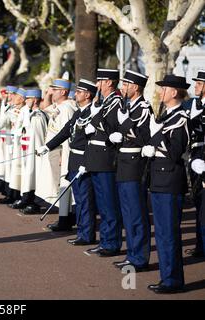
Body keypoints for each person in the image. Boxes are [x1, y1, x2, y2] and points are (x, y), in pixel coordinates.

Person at [142, 74, 190, 294]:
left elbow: (174, 152)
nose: (160, 93)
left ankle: (172, 281)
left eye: (164, 89)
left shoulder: (181, 118)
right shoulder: (167, 116)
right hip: (160, 180)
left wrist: (156, 137)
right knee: (161, 232)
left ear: (174, 93)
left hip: (170, 179)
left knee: (168, 233)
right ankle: (167, 277)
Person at [37, 79, 97, 243]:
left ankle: (87, 234)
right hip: (74, 160)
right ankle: (82, 232)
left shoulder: (92, 112)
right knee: (79, 198)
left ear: (88, 94)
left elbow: (90, 142)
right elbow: (65, 132)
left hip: (82, 161)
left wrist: (85, 161)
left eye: (79, 91)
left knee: (85, 199)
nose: (75, 94)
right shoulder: (79, 112)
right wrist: (47, 147)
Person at [108, 70, 152, 272]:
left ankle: (139, 258)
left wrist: (124, 124)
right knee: (127, 212)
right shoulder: (127, 107)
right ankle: (131, 254)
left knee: (136, 213)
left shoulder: (143, 107)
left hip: (134, 163)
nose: (123, 88)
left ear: (135, 87)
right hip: (123, 161)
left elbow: (143, 137)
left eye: (126, 85)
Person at [83, 68, 123, 257]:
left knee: (109, 204)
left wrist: (97, 119)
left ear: (109, 82)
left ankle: (111, 243)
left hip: (106, 157)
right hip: (97, 157)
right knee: (102, 204)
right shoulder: (104, 102)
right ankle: (105, 240)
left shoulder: (115, 101)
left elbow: (113, 127)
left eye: (100, 80)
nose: (97, 84)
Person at [186, 70, 205, 258]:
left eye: (199, 84)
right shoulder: (191, 104)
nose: (196, 87)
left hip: (204, 155)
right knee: (198, 202)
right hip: (194, 154)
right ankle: (200, 245)